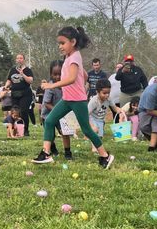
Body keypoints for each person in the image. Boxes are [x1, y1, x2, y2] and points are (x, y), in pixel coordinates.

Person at [32, 26, 114, 169]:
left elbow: (71, 78)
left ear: (73, 42)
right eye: (59, 43)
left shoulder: (74, 57)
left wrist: (52, 86)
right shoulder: (70, 57)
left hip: (77, 101)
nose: (60, 46)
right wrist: (80, 82)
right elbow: (85, 75)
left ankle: (105, 156)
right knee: (50, 120)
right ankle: (46, 153)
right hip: (67, 99)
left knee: (87, 130)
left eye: (63, 43)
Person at [42, 60, 72, 159]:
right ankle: (53, 149)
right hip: (49, 114)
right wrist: (58, 111)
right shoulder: (50, 87)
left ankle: (68, 153)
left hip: (62, 115)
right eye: (55, 74)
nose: (58, 77)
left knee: (65, 133)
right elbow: (47, 103)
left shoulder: (67, 86)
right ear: (51, 74)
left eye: (60, 74)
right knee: (50, 135)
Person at [5, 54, 34, 136]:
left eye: (21, 58)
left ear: (24, 60)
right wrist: (6, 86)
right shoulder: (12, 70)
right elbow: (9, 80)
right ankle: (15, 130)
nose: (19, 59)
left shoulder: (28, 70)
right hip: (14, 93)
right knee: (15, 112)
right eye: (17, 58)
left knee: (24, 111)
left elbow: (30, 81)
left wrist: (23, 74)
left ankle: (26, 130)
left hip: (25, 94)